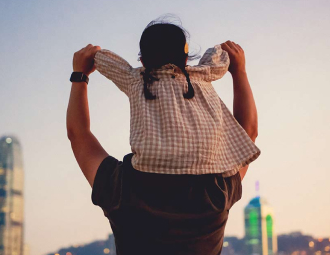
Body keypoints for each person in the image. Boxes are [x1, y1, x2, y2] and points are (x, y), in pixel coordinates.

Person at [67, 18, 260, 255]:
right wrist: (239, 72)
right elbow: (247, 133)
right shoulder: (215, 193)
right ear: (186, 59)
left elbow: (79, 134)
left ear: (142, 61)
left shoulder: (122, 189)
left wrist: (80, 76)